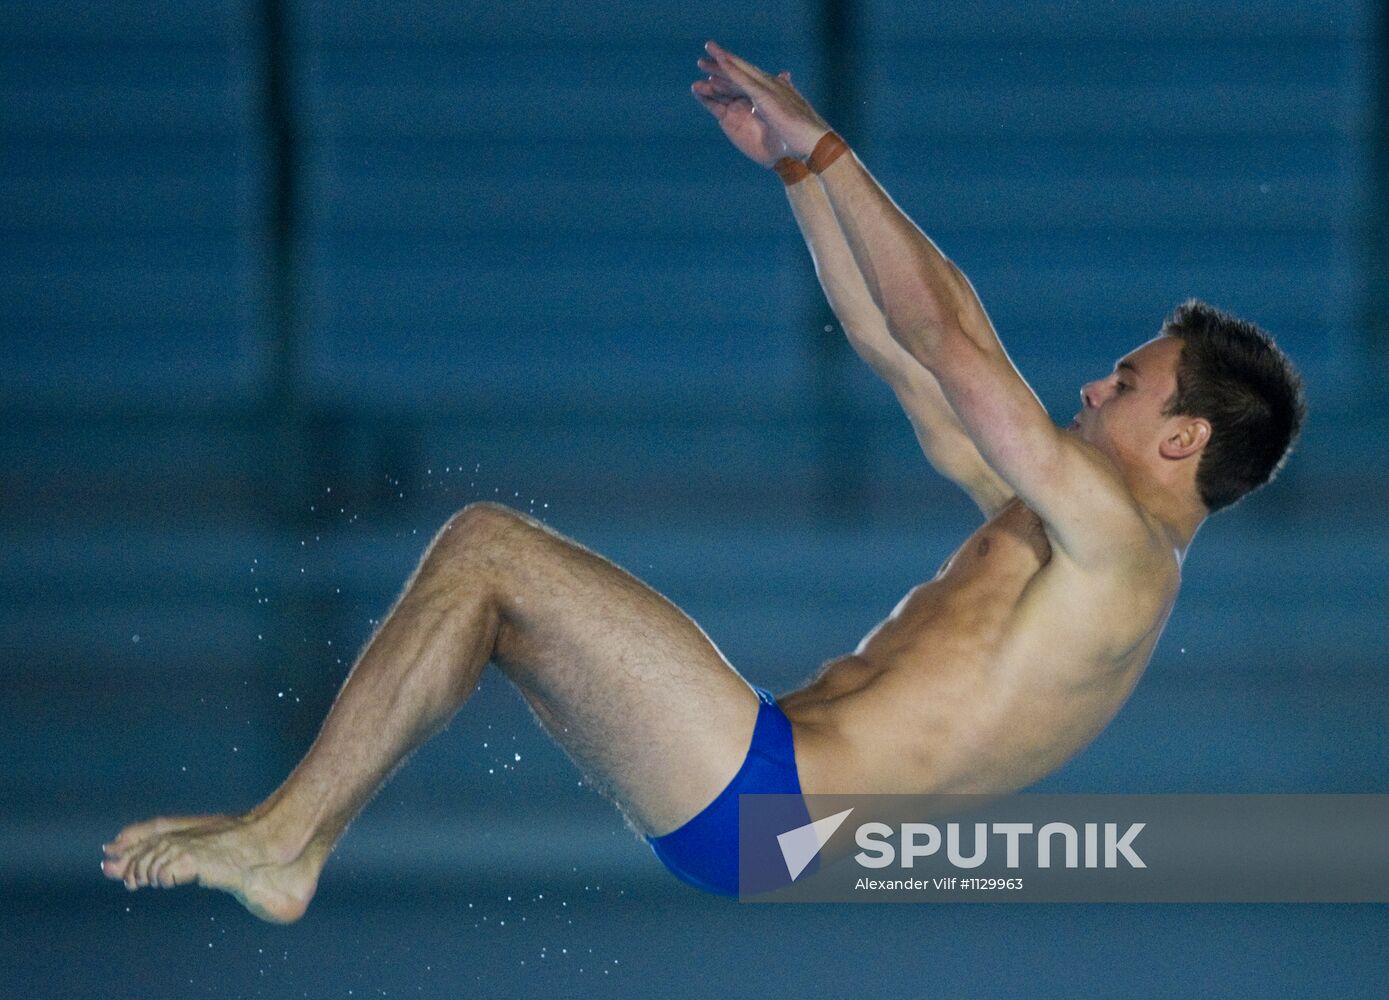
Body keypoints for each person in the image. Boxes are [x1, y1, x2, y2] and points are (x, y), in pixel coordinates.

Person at [101, 41, 1305, 919]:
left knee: (485, 548)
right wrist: (799, 177)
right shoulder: (1070, 537)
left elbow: (956, 341)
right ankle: (291, 833)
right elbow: (903, 356)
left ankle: (286, 842)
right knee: (491, 595)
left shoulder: (1125, 552)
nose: (1093, 391)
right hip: (767, 807)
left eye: (1125, 384)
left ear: (1184, 439)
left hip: (768, 801)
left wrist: (831, 147)